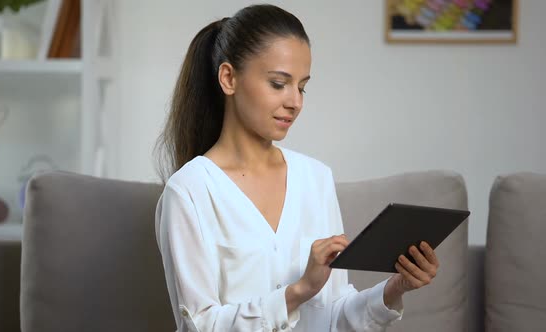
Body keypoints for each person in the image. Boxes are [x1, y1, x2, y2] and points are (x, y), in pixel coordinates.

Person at [154, 4, 439, 331]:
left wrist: (394, 289)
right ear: (229, 78)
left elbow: (332, 316)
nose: (296, 102)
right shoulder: (189, 191)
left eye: (302, 86)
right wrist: (298, 292)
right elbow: (199, 325)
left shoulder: (316, 179)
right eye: (278, 84)